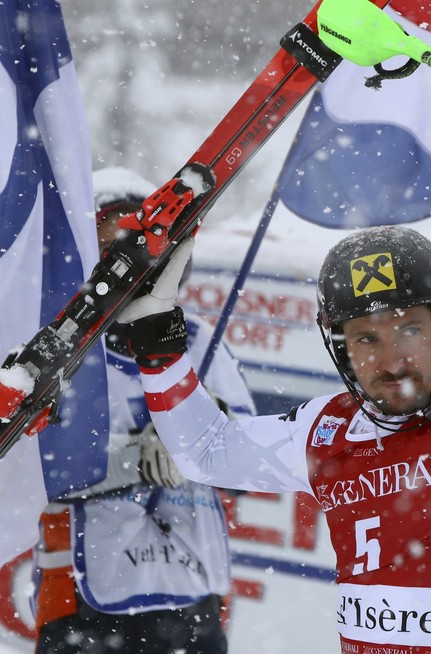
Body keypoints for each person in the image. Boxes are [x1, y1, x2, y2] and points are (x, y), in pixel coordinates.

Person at [119, 21, 431, 654]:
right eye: (366, 339)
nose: (393, 358)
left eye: (410, 328)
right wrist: (157, 342)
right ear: (339, 351)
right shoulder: (330, 432)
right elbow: (205, 452)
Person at [30, 168, 256, 654]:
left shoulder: (196, 340)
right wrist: (138, 457)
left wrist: (209, 430)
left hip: (188, 591)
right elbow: (39, 472)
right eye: (113, 251)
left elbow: (250, 463)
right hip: (82, 594)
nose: (130, 268)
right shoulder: (57, 348)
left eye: (142, 249)